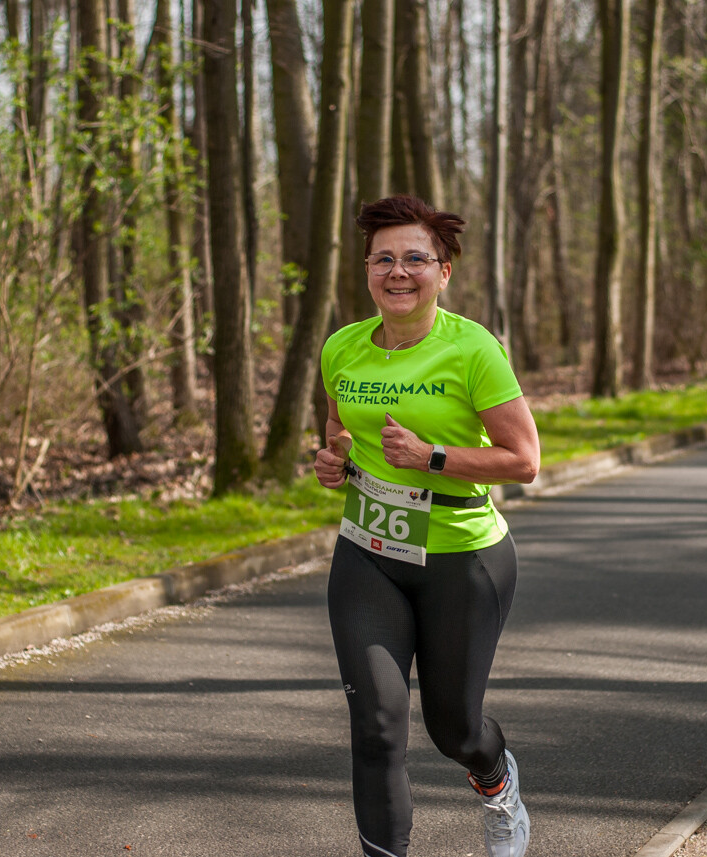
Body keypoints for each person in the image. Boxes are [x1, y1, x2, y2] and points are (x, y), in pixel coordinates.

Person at [314, 195, 540, 857]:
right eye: (384, 258)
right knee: (377, 727)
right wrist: (334, 462)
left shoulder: (473, 350)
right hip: (367, 553)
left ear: (444, 272)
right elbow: (338, 430)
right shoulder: (342, 348)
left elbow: (524, 460)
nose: (399, 271)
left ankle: (497, 781)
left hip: (461, 559)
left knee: (453, 727)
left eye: (417, 258)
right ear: (366, 271)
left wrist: (432, 457)